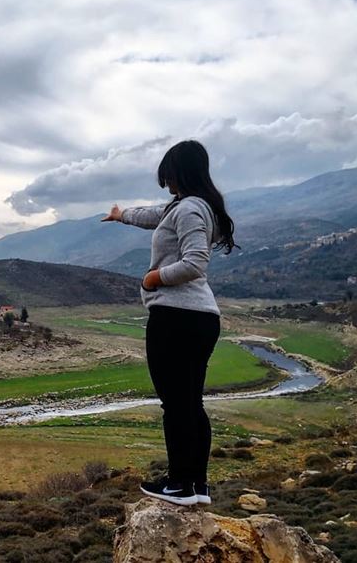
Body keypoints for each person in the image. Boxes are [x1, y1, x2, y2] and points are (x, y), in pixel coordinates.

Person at [101, 139, 239, 506]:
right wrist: (121, 214)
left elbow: (194, 263)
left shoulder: (191, 208)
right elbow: (153, 216)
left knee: (176, 404)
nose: (167, 185)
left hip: (178, 317)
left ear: (180, 173)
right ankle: (196, 486)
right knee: (189, 403)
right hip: (196, 318)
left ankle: (180, 484)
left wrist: (153, 278)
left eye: (169, 177)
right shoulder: (187, 206)